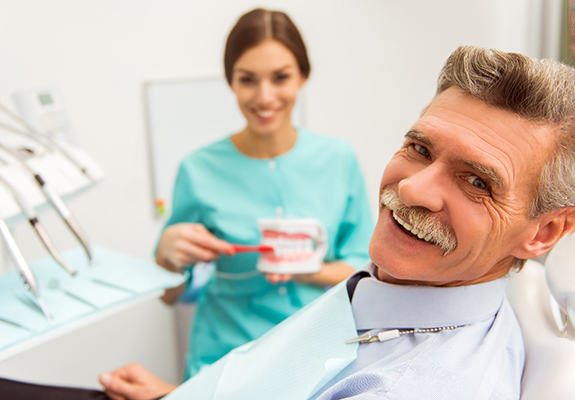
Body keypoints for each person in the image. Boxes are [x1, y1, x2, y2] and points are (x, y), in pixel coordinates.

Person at [2, 45, 575, 399]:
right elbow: (243, 343)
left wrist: (309, 267)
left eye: (477, 181)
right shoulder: (396, 286)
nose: (413, 189)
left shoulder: (412, 380)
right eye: (419, 148)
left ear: (544, 232)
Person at [154, 8, 373, 379]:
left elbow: (367, 270)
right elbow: (170, 294)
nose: (265, 96)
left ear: (303, 75)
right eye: (248, 80)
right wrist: (166, 258)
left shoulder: (337, 158)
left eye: (281, 77)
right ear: (231, 82)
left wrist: (309, 270)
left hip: (318, 355)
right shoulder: (197, 169)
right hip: (225, 360)